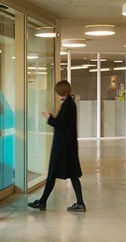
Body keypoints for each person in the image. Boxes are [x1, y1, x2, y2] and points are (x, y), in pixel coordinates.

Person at [28, 80, 86, 212]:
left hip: (62, 147)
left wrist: (49, 117)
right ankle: (80, 203)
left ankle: (42, 202)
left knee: (52, 174)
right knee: (73, 175)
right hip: (69, 146)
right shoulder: (70, 104)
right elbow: (64, 123)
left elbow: (60, 125)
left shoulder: (67, 105)